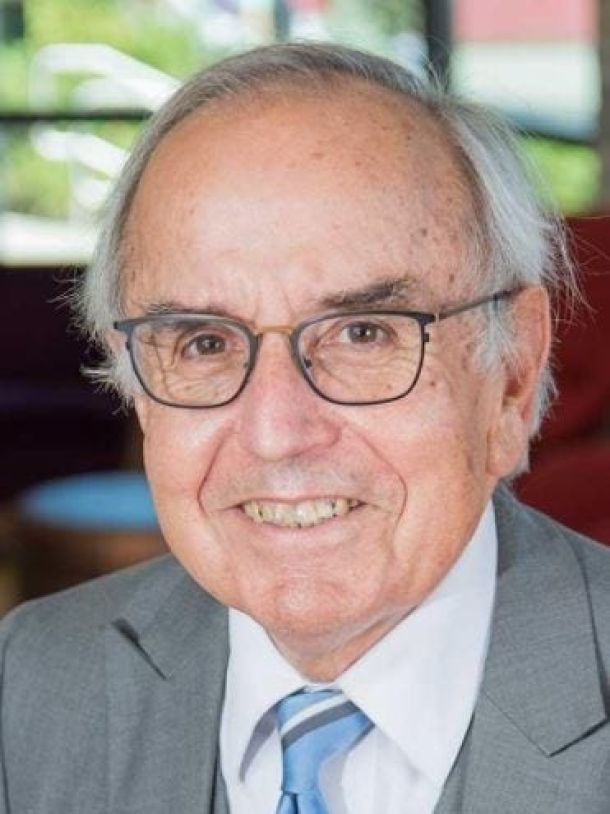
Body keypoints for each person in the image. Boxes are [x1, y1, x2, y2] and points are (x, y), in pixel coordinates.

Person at [1, 42, 609, 814]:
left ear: (511, 375)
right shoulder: (32, 681)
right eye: (204, 343)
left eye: (363, 333)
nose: (276, 433)